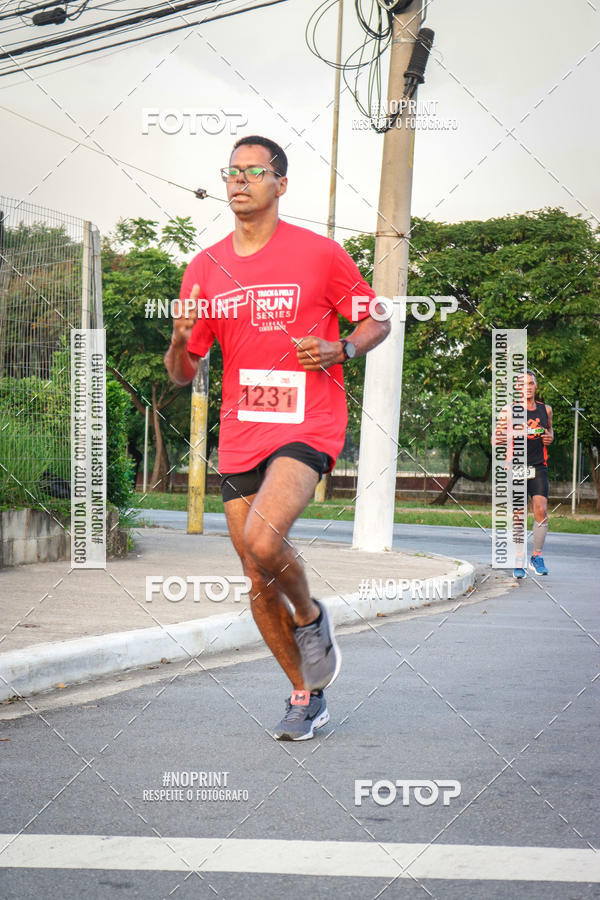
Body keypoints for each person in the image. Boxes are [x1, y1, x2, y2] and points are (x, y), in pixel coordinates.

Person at [165, 135, 390, 740]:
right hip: (242, 427)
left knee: (264, 541)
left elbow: (377, 319)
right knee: (255, 572)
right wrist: (180, 341)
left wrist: (342, 348)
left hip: (308, 420)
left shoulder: (320, 255)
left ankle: (311, 616)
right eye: (232, 171)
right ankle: (305, 693)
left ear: (280, 184)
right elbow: (184, 371)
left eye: (254, 171)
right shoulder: (205, 267)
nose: (239, 180)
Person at [493, 370, 554, 579]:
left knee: (541, 509)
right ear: (517, 388)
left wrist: (550, 437)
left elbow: (550, 431)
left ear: (536, 386)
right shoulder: (508, 411)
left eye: (530, 383)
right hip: (516, 466)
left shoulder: (546, 410)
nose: (527, 387)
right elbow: (495, 440)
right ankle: (518, 559)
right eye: (522, 384)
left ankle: (536, 556)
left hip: (539, 466)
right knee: (518, 515)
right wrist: (514, 433)